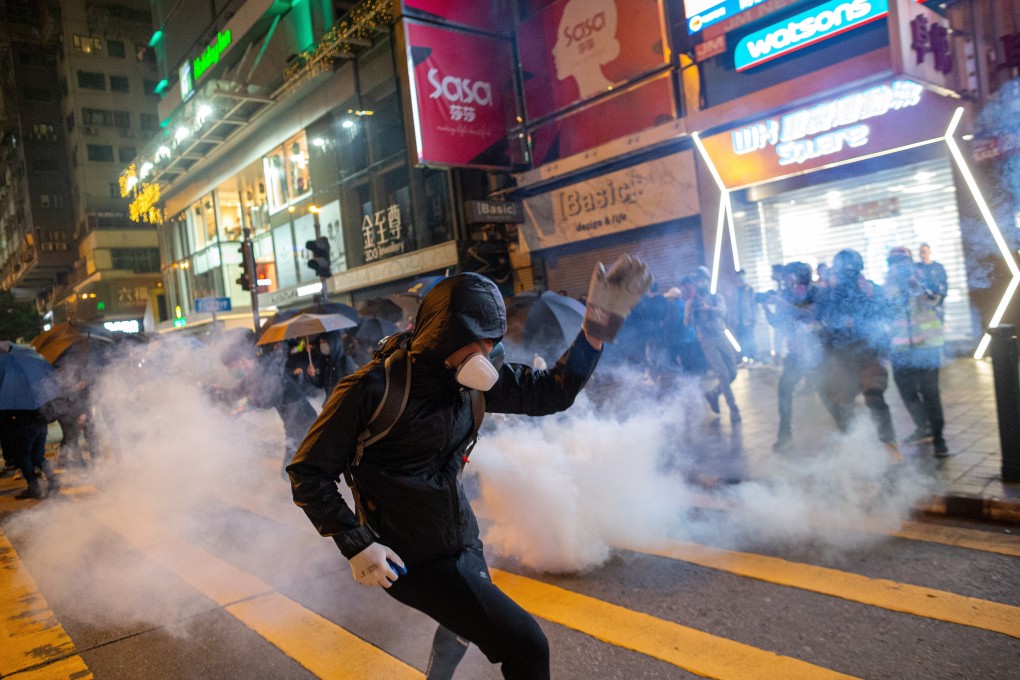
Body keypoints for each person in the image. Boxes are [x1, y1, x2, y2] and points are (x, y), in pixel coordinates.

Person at [287, 256, 652, 680]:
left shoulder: (473, 383)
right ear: (443, 335)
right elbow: (308, 472)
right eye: (476, 341)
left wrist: (595, 329)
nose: (486, 353)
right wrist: (357, 543)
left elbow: (552, 394)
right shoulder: (371, 388)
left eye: (492, 341)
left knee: (463, 624)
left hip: (462, 539)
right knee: (527, 645)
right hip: (406, 557)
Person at [814, 249, 901, 460]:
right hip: (842, 355)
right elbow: (821, 318)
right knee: (843, 401)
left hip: (868, 351)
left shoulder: (870, 289)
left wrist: (872, 297)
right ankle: (852, 444)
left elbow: (889, 314)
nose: (847, 276)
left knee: (874, 396)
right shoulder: (830, 293)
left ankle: (888, 444)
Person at [219, 338, 319, 478]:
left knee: (293, 472)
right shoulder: (252, 375)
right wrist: (216, 393)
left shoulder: (267, 367)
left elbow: (269, 398)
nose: (231, 371)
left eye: (231, 366)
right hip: (292, 426)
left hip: (304, 422)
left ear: (242, 360)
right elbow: (236, 393)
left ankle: (318, 494)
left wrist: (244, 408)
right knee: (295, 472)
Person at [885, 247, 949, 456]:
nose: (899, 266)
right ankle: (923, 427)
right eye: (894, 263)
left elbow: (933, 300)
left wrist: (916, 286)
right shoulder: (887, 285)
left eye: (902, 262)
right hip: (900, 348)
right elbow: (884, 312)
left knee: (930, 392)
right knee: (906, 391)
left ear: (910, 262)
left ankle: (939, 439)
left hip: (927, 346)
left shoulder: (924, 277)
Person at [761, 262, 822, 451]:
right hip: (796, 355)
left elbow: (812, 316)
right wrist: (766, 307)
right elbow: (777, 323)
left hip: (818, 354)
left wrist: (785, 304)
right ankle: (784, 435)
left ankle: (850, 434)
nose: (786, 280)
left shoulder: (816, 293)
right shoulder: (786, 295)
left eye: (789, 277)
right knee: (784, 392)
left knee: (830, 397)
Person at [685, 266, 740, 422]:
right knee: (722, 374)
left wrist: (709, 308)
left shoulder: (716, 297)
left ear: (707, 280)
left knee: (732, 373)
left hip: (721, 336)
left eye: (702, 280)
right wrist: (690, 311)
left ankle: (714, 394)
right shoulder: (692, 302)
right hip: (707, 341)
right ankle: (733, 409)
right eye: (696, 281)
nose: (699, 283)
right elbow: (687, 324)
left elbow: (723, 312)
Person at [306, 331, 357, 404]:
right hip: (330, 403)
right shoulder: (325, 362)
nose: (322, 345)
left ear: (333, 342)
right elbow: (320, 384)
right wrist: (313, 375)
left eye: (324, 342)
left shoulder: (345, 360)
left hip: (344, 404)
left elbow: (353, 386)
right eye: (320, 343)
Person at [728, 269, 758, 364]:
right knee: (741, 340)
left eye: (742, 276)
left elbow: (754, 306)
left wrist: (754, 318)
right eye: (738, 276)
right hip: (738, 320)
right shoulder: (735, 291)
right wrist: (732, 319)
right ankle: (745, 358)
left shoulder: (750, 290)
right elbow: (732, 306)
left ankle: (753, 358)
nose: (740, 278)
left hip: (748, 320)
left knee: (750, 339)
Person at [916, 243, 948, 322]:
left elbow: (943, 285)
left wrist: (937, 300)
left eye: (924, 252)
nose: (922, 254)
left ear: (929, 252)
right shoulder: (916, 268)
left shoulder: (938, 267)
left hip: (937, 305)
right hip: (921, 306)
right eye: (921, 252)